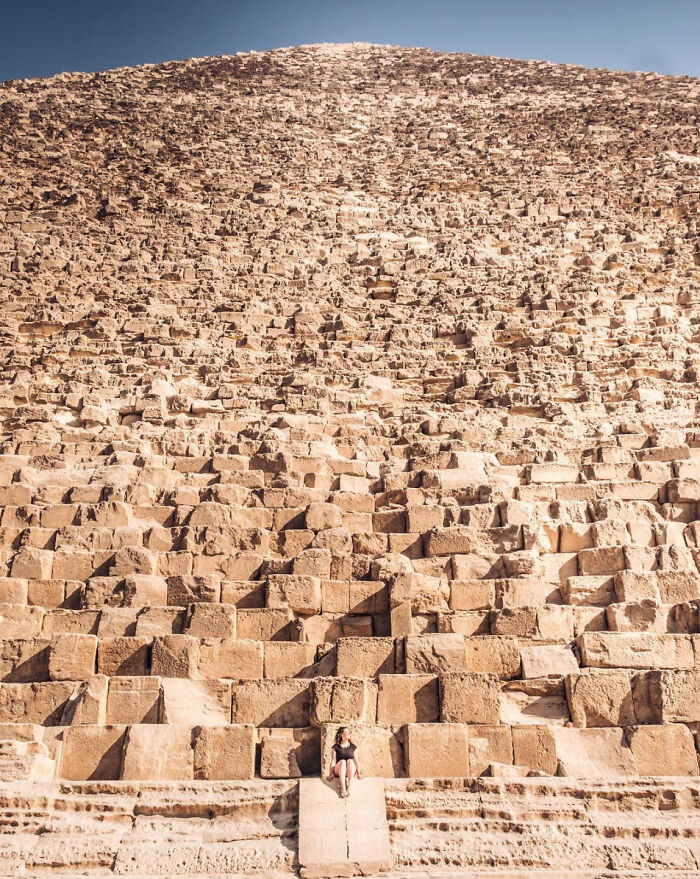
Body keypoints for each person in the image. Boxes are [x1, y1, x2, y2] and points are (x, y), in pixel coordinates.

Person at [327, 726, 361, 797]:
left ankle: (349, 789)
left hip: (350, 770)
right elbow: (333, 761)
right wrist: (330, 774)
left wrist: (358, 773)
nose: (349, 733)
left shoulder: (353, 747)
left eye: (349, 732)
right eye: (347, 732)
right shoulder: (335, 747)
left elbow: (356, 761)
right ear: (340, 735)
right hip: (339, 770)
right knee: (343, 761)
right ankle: (343, 789)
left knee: (350, 761)